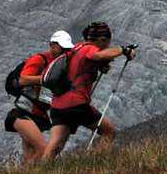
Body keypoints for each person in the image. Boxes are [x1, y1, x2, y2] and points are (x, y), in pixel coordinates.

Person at [42, 23, 135, 158]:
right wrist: (123, 50)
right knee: (109, 132)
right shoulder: (89, 49)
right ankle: (95, 163)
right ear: (102, 40)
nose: (108, 45)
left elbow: (83, 67)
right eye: (108, 42)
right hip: (76, 104)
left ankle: (40, 172)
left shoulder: (77, 49)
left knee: (55, 145)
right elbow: (97, 55)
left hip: (58, 106)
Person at [8, 32, 72, 165]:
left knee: (31, 155)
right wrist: (45, 79)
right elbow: (23, 79)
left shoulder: (61, 64)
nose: (64, 52)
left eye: (67, 49)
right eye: (62, 48)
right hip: (23, 113)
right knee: (43, 149)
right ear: (52, 46)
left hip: (39, 114)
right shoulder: (39, 59)